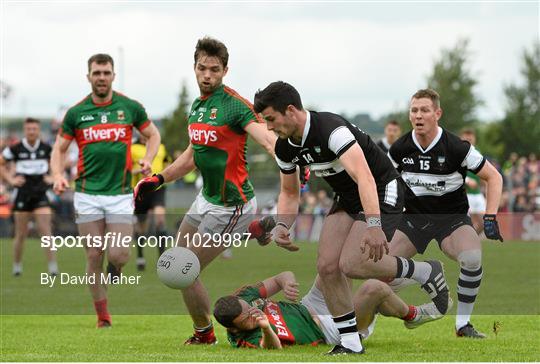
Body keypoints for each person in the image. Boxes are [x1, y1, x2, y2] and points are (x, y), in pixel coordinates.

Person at [252, 81, 450, 355]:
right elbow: (289, 191)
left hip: (381, 189)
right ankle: (350, 343)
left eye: (271, 119)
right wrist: (283, 224)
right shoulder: (286, 147)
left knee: (353, 264)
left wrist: (373, 224)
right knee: (327, 266)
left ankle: (425, 271)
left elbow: (365, 177)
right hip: (347, 198)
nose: (269, 127)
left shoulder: (331, 131)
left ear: (290, 111)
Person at [134, 37, 276, 344]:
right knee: (180, 263)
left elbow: (268, 139)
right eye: (202, 68)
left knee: (183, 268)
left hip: (232, 204)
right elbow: (190, 157)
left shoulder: (235, 106)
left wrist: (294, 160)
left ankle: (218, 332)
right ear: (194, 68)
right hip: (206, 200)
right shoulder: (197, 106)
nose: (207, 74)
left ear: (225, 70)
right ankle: (203, 332)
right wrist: (158, 179)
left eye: (214, 69)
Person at [50, 53, 160, 328]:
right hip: (87, 194)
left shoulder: (130, 107)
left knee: (119, 255)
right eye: (96, 73)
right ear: (88, 76)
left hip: (120, 194)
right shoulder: (76, 113)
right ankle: (103, 316)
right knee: (93, 255)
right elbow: (59, 149)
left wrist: (148, 158)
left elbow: (153, 135)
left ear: (113, 75)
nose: (101, 77)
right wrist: (57, 175)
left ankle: (116, 268)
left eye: (106, 72)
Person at [387, 88, 503, 338]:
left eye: (425, 110)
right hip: (412, 220)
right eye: (414, 110)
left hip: (451, 220)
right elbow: (384, 183)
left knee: (472, 259)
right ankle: (364, 331)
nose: (418, 115)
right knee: (382, 271)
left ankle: (463, 325)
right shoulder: (399, 149)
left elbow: (493, 177)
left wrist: (490, 215)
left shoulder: (457, 147)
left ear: (437, 113)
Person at [213, 271, 450, 349]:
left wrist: (287, 283)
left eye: (250, 308)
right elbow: (271, 351)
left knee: (333, 264)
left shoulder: (244, 298)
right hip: (330, 331)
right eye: (247, 318)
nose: (253, 314)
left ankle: (400, 280)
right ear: (233, 327)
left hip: (309, 305)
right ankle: (413, 315)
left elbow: (281, 277)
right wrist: (265, 327)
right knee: (373, 289)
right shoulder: (245, 338)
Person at [0, 117, 58, 276]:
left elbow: (58, 161)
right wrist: (11, 179)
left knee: (46, 231)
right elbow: (1, 163)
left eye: (34, 129)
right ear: (25, 130)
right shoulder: (15, 148)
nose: (32, 131)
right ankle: (17, 266)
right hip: (22, 194)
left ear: (38, 130)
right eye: (29, 129)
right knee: (21, 233)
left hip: (40, 193)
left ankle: (53, 268)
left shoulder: (47, 148)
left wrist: (53, 177)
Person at [131, 134, 171, 271]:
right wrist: (137, 171)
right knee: (142, 227)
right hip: (140, 190)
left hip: (158, 188)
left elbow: (168, 162)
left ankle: (162, 259)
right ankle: (140, 256)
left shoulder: (161, 147)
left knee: (160, 220)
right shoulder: (132, 148)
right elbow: (125, 169)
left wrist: (167, 175)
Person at [460, 128, 486, 234]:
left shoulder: (477, 152)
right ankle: (463, 243)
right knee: (464, 224)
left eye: (471, 136)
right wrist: (467, 180)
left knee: (483, 223)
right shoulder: (458, 152)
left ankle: (469, 241)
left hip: (477, 193)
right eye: (466, 135)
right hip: (464, 194)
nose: (469, 138)